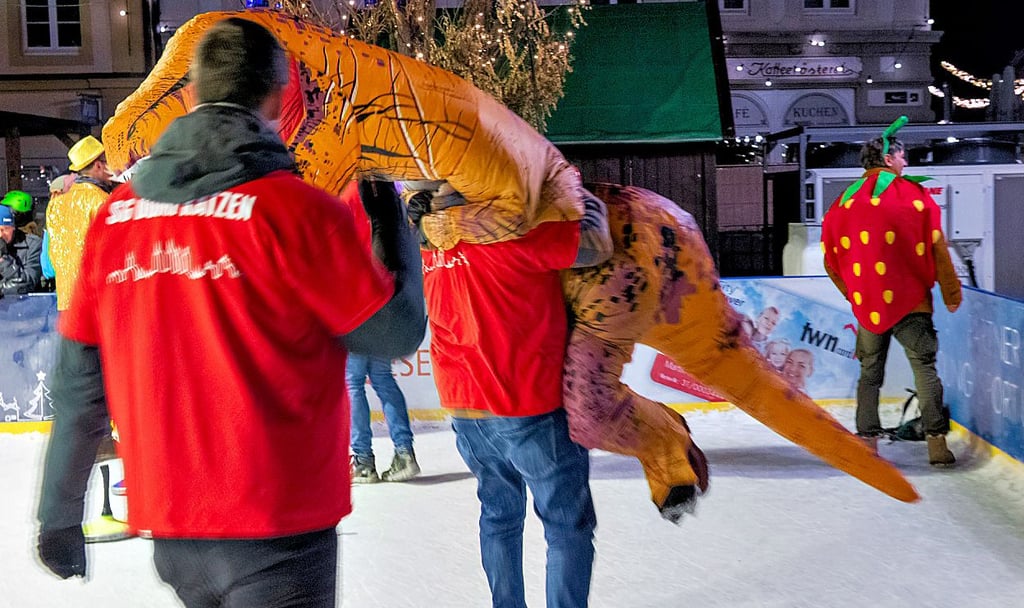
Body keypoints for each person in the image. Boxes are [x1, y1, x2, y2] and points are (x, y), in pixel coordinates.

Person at [35, 18, 423, 608]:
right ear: (278, 94)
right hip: (280, 523)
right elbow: (392, 331)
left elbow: (80, 381)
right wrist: (394, 225)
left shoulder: (115, 220)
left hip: (174, 525)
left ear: (188, 95)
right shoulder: (299, 213)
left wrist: (59, 511)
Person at [409, 183, 610, 608]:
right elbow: (593, 246)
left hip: (465, 406)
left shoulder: (426, 237)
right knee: (566, 526)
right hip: (526, 400)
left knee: (499, 516)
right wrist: (582, 195)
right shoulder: (511, 232)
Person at [821, 116, 961, 466]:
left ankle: (867, 445)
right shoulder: (915, 196)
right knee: (925, 371)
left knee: (869, 375)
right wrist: (951, 291)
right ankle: (936, 444)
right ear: (887, 159)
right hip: (913, 302)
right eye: (902, 157)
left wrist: (855, 294)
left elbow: (831, 259)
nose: (906, 163)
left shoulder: (843, 203)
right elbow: (937, 247)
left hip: (868, 307)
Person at [46, 136, 115, 311]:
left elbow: (53, 256)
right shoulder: (103, 202)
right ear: (98, 165)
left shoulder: (56, 203)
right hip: (97, 302)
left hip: (66, 302)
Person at [347, 353, 419, 483]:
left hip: (351, 335)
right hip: (380, 334)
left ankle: (363, 462)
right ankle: (404, 453)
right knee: (383, 378)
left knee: (353, 383)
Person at [0, 205, 42, 296]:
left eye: (5, 229)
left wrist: (3, 261)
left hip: (24, 306)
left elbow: (27, 283)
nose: (1, 235)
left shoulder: (32, 245)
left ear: (13, 227)